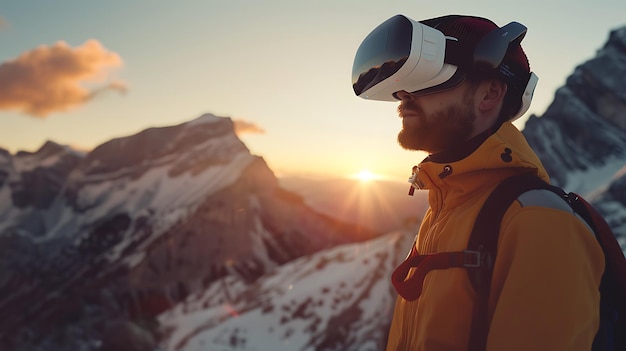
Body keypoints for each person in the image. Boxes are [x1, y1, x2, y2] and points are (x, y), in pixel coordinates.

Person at [351, 14, 605, 351]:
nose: (402, 93)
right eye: (401, 81)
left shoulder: (538, 222)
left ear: (489, 93)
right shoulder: (448, 204)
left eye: (426, 75)